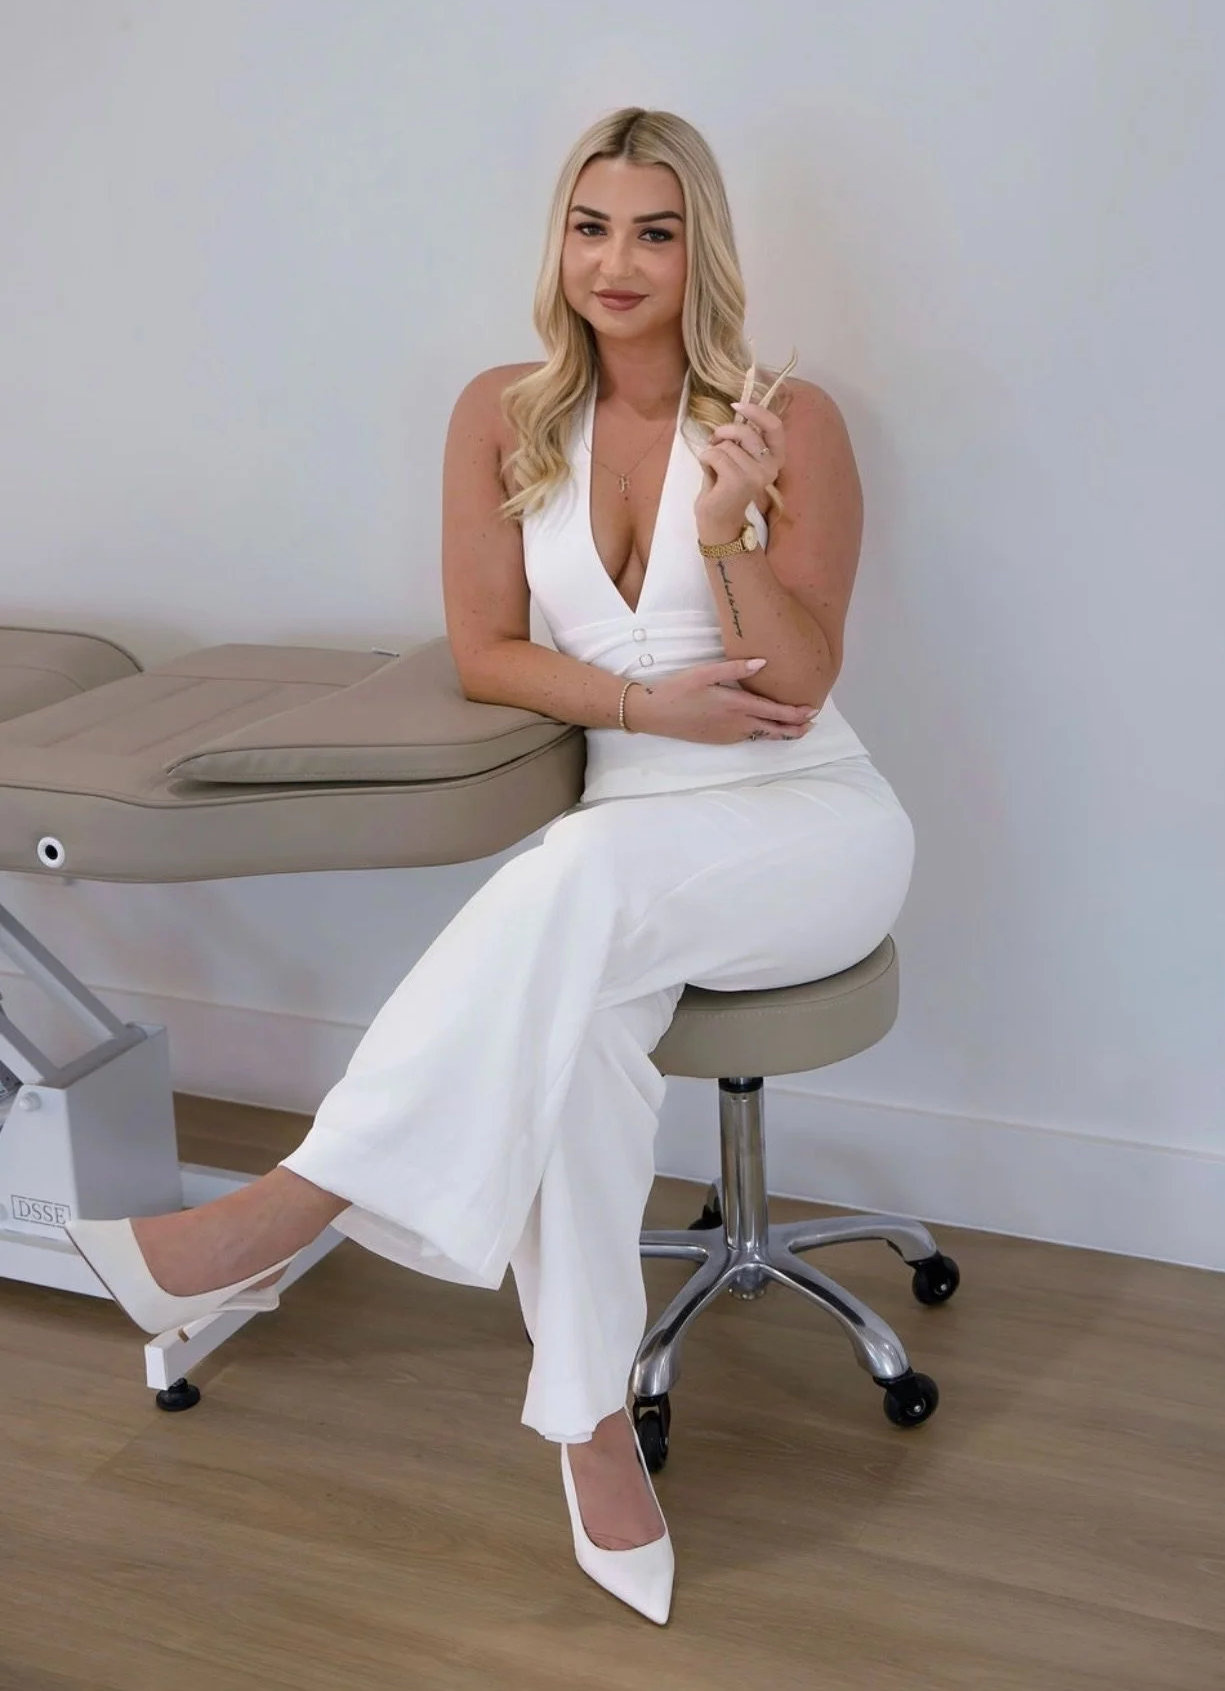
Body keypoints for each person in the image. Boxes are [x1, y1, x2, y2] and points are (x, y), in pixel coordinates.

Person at [65, 106, 916, 1627]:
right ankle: (594, 1434)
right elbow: (486, 652)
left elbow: (801, 674)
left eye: (655, 230)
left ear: (700, 247)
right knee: (576, 1015)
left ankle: (283, 1212)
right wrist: (646, 705)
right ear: (559, 243)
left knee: (569, 879)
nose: (618, 261)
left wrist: (727, 532)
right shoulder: (499, 415)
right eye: (592, 227)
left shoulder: (787, 419)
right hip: (635, 835)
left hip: (809, 828)